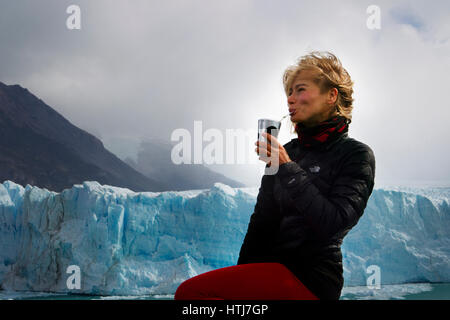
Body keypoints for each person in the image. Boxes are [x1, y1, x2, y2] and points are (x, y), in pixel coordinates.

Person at [174, 51, 376, 300]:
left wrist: (287, 168)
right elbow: (262, 223)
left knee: (192, 294)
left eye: (300, 90)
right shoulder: (288, 151)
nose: (290, 99)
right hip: (271, 272)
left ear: (331, 96)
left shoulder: (356, 155)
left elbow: (333, 223)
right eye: (289, 92)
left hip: (312, 279)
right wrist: (241, 279)